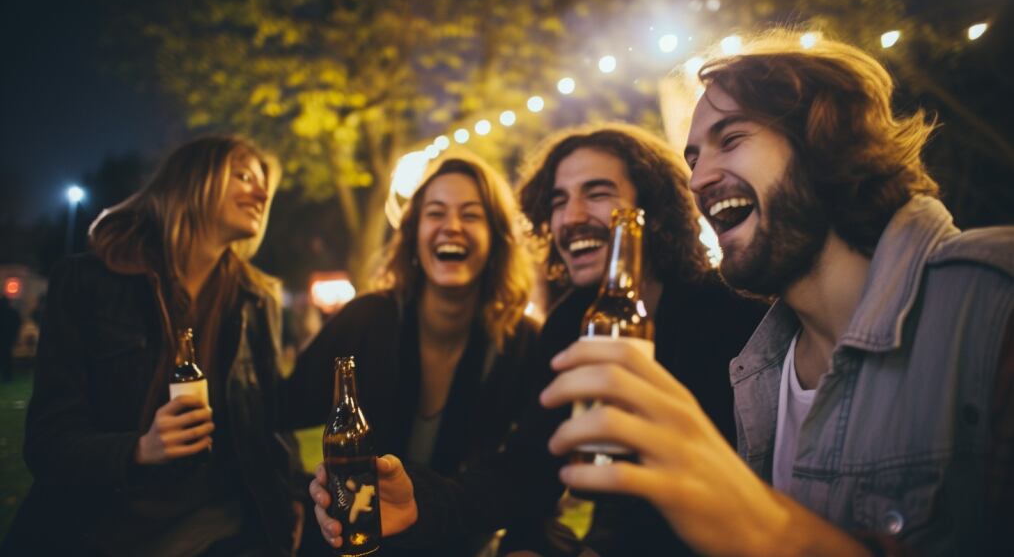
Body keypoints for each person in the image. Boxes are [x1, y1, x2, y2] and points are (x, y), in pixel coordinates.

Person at [540, 31, 1014, 555]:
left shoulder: (993, 299)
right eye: (693, 158)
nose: (697, 180)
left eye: (732, 138)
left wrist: (771, 527)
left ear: (823, 141)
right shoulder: (756, 371)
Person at [309, 123, 766, 555]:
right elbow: (529, 468)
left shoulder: (728, 308)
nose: (572, 217)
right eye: (559, 201)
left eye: (597, 193)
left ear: (650, 209)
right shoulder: (568, 323)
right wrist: (422, 505)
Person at [4, 136, 310, 556]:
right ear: (191, 181)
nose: (261, 193)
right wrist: (139, 449)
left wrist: (292, 492)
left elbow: (272, 419)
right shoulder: (88, 283)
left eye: (264, 186)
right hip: (101, 530)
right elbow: (48, 443)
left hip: (222, 526)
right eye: (242, 176)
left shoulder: (256, 299)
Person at [288, 153, 539, 556]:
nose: (452, 226)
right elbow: (280, 411)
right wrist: (299, 497)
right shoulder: (365, 319)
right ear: (413, 233)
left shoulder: (524, 343)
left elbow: (529, 475)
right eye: (435, 213)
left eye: (471, 215)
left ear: (496, 239)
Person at [0, 295, 21, 382]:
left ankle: (6, 375)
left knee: (5, 356)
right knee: (7, 356)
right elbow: (17, 324)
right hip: (9, 337)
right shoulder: (13, 313)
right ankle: (7, 376)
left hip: (3, 336)